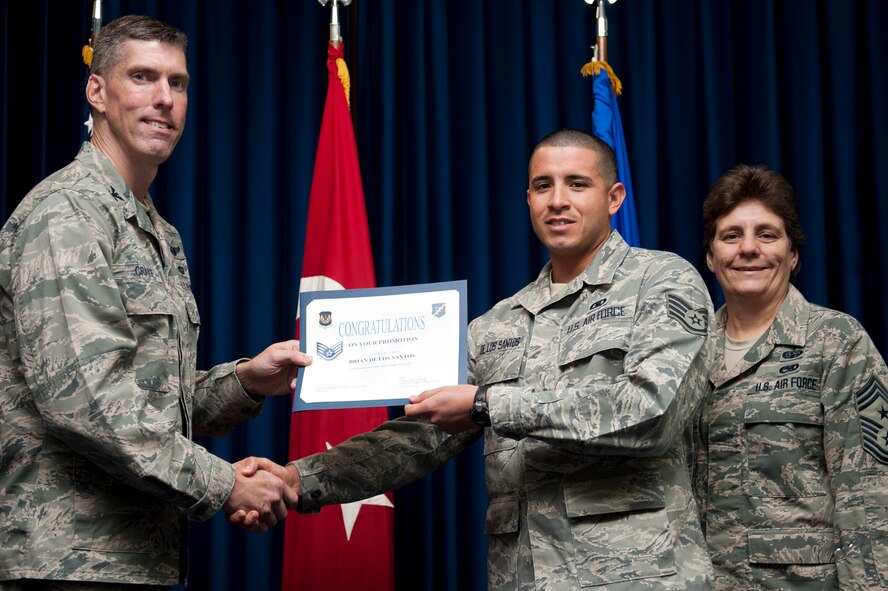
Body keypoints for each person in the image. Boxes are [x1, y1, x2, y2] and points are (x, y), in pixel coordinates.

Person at [239, 128, 716, 589]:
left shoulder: (662, 281)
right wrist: (298, 479)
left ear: (614, 198)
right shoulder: (495, 325)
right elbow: (418, 437)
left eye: (577, 184)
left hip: (638, 577)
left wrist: (489, 403)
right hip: (523, 578)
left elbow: (654, 412)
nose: (557, 201)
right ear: (527, 198)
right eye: (542, 186)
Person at [0, 15, 310, 590]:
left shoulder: (155, 231)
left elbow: (156, 401)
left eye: (178, 82)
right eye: (142, 77)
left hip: (133, 561)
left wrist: (246, 381)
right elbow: (88, 401)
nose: (164, 99)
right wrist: (227, 484)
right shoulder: (69, 214)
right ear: (97, 91)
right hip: (64, 561)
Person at [695, 163, 888, 589]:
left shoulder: (837, 342)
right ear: (710, 257)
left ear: (793, 253)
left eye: (767, 234)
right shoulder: (683, 354)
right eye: (731, 235)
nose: (749, 248)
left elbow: (870, 499)